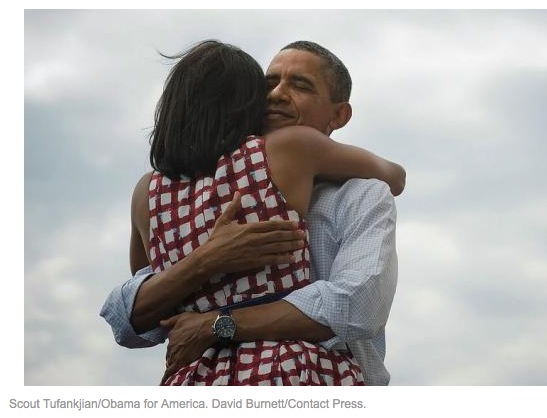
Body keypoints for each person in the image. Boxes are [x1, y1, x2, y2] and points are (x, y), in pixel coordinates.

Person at [101, 40, 403, 385]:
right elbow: (136, 312)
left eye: (299, 85)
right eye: (268, 84)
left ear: (339, 115)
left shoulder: (150, 192)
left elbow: (357, 306)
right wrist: (209, 257)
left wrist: (216, 322)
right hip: (292, 371)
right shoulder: (283, 155)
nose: (276, 95)